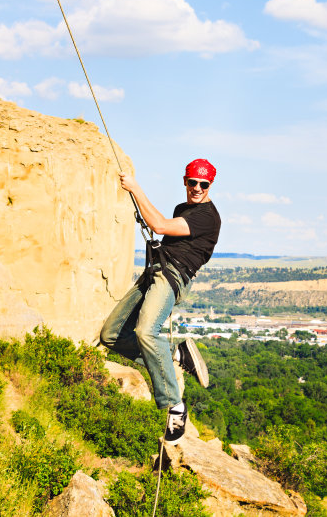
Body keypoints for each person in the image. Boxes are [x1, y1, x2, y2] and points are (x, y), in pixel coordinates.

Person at [100, 158, 221, 445]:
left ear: (210, 185)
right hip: (155, 272)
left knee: (145, 331)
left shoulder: (207, 216)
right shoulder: (185, 209)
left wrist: (135, 188)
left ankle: (175, 407)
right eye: (192, 182)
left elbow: (159, 224)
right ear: (185, 181)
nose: (197, 188)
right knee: (111, 336)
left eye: (203, 184)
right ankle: (177, 355)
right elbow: (162, 228)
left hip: (171, 278)